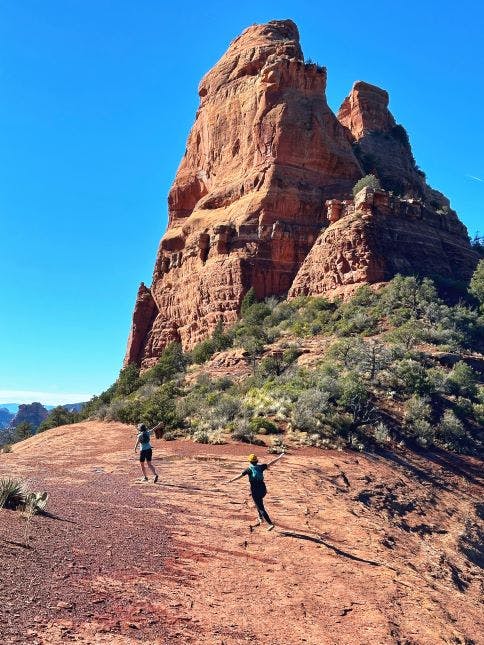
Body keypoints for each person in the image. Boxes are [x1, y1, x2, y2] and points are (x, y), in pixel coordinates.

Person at [224, 452, 284, 531]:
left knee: (260, 507)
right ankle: (260, 518)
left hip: (255, 491)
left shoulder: (248, 469)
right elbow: (271, 463)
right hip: (263, 490)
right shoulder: (261, 467)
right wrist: (279, 457)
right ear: (257, 461)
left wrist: (230, 480)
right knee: (258, 503)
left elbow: (239, 476)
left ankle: (270, 524)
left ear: (250, 461)